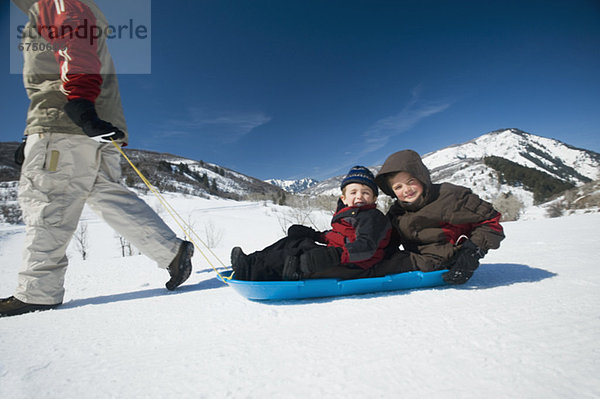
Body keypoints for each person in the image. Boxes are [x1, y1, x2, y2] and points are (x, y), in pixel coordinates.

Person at [1, 0, 193, 317]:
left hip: (66, 122)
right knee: (105, 194)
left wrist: (79, 101)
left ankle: (37, 292)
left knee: (47, 200)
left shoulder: (54, 3)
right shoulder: (77, 8)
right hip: (92, 126)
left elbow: (73, 44)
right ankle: (171, 252)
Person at [230, 166, 392, 281]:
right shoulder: (348, 214)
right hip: (341, 256)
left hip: (357, 265)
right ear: (344, 198)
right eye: (353, 192)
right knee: (297, 241)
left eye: (366, 193)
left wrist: (334, 255)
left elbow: (366, 246)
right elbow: (337, 236)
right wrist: (315, 235)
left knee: (300, 253)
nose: (359, 197)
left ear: (374, 199)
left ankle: (256, 271)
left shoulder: (371, 216)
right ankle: (253, 260)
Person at [370, 149, 505, 284]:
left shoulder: (449, 197)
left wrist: (472, 251)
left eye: (411, 181)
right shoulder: (397, 212)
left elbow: (490, 220)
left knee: (381, 269)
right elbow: (387, 240)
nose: (406, 190)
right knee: (375, 263)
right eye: (398, 187)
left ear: (421, 177)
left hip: (448, 259)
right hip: (418, 258)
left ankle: (363, 274)